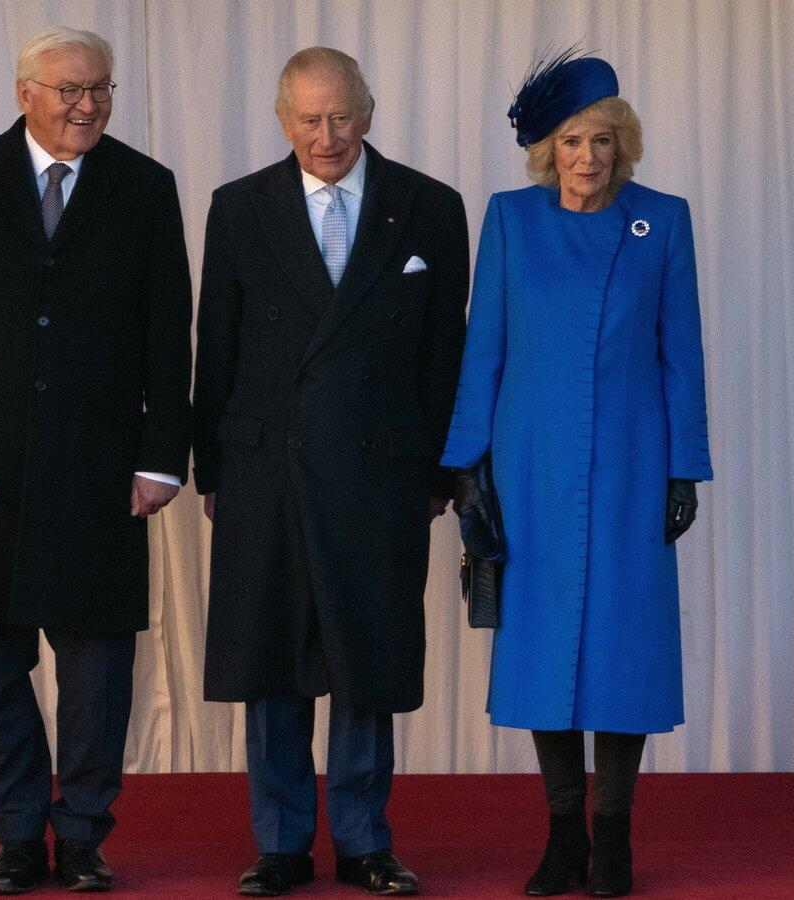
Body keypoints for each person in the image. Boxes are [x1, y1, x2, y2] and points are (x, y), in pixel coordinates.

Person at [0, 25, 192, 895]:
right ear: (24, 92)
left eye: (101, 88)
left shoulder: (145, 186)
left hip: (99, 469)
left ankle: (84, 836)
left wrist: (162, 459)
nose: (88, 105)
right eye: (70, 89)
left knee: (98, 675)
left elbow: (167, 331)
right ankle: (18, 835)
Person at [193, 47, 469, 897]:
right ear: (283, 120)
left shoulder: (429, 205)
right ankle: (280, 843)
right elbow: (217, 343)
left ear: (369, 112)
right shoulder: (239, 207)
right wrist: (212, 468)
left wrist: (441, 471)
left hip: (382, 470)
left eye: (342, 115)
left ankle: (363, 841)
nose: (327, 135)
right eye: (309, 119)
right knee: (271, 659)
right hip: (267, 468)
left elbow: (445, 353)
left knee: (366, 658)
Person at [441, 51, 714, 898]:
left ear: (622, 144)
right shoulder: (511, 220)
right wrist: (466, 467)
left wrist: (684, 469)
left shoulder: (661, 220)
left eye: (601, 140)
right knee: (542, 645)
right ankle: (564, 839)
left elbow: (680, 354)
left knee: (623, 648)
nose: (587, 157)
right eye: (570, 141)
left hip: (633, 461)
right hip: (530, 465)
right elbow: (484, 347)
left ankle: (615, 837)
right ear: (546, 151)